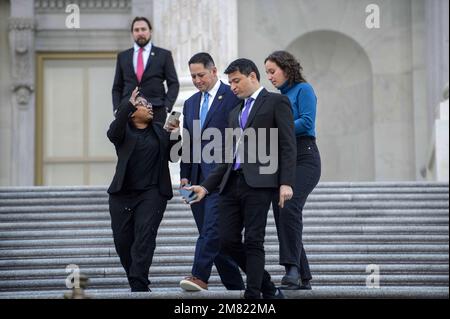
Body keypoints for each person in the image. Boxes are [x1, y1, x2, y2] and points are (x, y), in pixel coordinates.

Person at [187, 58, 297, 299]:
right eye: (230, 82)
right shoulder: (235, 112)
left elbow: (288, 145)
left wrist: (286, 182)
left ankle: (254, 294)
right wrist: (206, 187)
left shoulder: (277, 102)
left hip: (260, 182)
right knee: (225, 240)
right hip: (230, 183)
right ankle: (269, 288)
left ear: (253, 77)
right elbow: (227, 157)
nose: (233, 87)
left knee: (254, 240)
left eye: (236, 81)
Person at [179, 53, 245, 292]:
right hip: (196, 178)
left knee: (211, 230)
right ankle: (236, 287)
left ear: (214, 71)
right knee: (214, 239)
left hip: (223, 177)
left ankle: (199, 276)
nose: (197, 80)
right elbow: (187, 142)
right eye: (193, 76)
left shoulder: (232, 96)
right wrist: (184, 174)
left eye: (201, 75)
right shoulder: (190, 103)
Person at [107, 87, 181, 292]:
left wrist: (175, 135)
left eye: (150, 105)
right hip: (122, 194)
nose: (149, 107)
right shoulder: (122, 132)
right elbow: (112, 131)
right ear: (131, 112)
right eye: (143, 104)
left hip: (152, 193)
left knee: (144, 237)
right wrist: (128, 103)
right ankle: (137, 280)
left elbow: (175, 156)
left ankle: (139, 284)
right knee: (123, 242)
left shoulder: (159, 130)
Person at [264, 51, 321, 290]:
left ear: (286, 68)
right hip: (284, 159)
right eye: (266, 73)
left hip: (305, 156)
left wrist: (276, 128)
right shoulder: (279, 97)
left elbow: (307, 122)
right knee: (282, 211)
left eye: (272, 71)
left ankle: (291, 269)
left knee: (289, 205)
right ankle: (303, 276)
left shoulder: (303, 90)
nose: (269, 77)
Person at [112, 16, 180, 124]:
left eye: (143, 29)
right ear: (132, 33)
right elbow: (117, 87)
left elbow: (174, 83)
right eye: (136, 30)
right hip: (128, 110)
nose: (140, 33)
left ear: (150, 31)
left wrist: (166, 107)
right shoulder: (123, 56)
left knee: (157, 141)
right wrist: (117, 109)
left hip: (156, 110)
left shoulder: (164, 55)